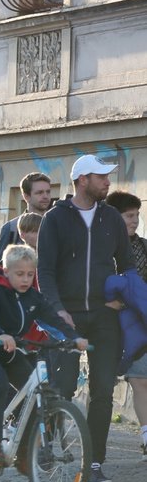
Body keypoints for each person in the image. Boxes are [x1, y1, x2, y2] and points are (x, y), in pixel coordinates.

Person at [38, 154, 129, 482]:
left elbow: (127, 267)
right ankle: (49, 444)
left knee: (103, 391)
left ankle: (94, 464)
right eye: (101, 176)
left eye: (107, 177)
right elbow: (44, 272)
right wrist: (58, 309)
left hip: (105, 317)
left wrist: (125, 297)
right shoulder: (55, 219)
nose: (107, 182)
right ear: (82, 180)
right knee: (62, 387)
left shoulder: (112, 219)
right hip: (67, 316)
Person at [0, 245, 86, 465]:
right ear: (6, 272)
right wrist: (0, 334)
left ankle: (23, 450)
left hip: (11, 353)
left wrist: (73, 338)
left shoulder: (33, 297)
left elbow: (53, 319)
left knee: (35, 391)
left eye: (30, 274)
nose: (25, 279)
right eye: (20, 274)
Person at [105, 190, 147, 460]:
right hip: (110, 325)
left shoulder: (144, 247)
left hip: (140, 323)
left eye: (137, 215)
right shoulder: (102, 247)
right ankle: (94, 448)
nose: (135, 221)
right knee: (105, 388)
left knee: (140, 380)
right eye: (129, 216)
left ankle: (145, 437)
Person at [0, 172, 52, 263]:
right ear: (26, 196)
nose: (45, 196)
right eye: (39, 192)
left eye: (48, 192)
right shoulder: (11, 228)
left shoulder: (57, 224)